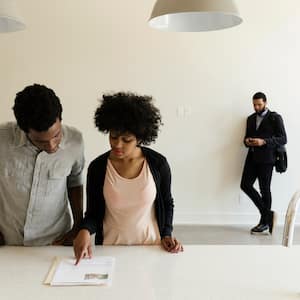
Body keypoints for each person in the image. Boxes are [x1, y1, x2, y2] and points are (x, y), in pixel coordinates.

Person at [73, 92, 183, 264]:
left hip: (151, 249)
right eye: (113, 137)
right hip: (109, 251)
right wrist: (84, 230)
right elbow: (93, 213)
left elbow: (167, 202)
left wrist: (167, 233)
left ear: (139, 138)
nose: (118, 144)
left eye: (127, 140)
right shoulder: (98, 168)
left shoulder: (158, 164)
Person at [0, 84, 85, 246]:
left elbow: (75, 181)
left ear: (60, 119)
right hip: (10, 242)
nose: (52, 146)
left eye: (57, 135)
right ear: (24, 130)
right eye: (41, 141)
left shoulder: (75, 141)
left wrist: (78, 226)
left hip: (55, 241)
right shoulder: (2, 139)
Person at [240, 92, 287, 234]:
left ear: (266, 102)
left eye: (259, 104)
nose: (256, 107)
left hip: (267, 159)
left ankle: (264, 221)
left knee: (264, 189)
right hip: (252, 157)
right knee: (245, 185)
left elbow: (283, 138)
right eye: (254, 104)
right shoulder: (250, 119)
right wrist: (247, 141)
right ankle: (268, 215)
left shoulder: (275, 118)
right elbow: (246, 137)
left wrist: (264, 142)